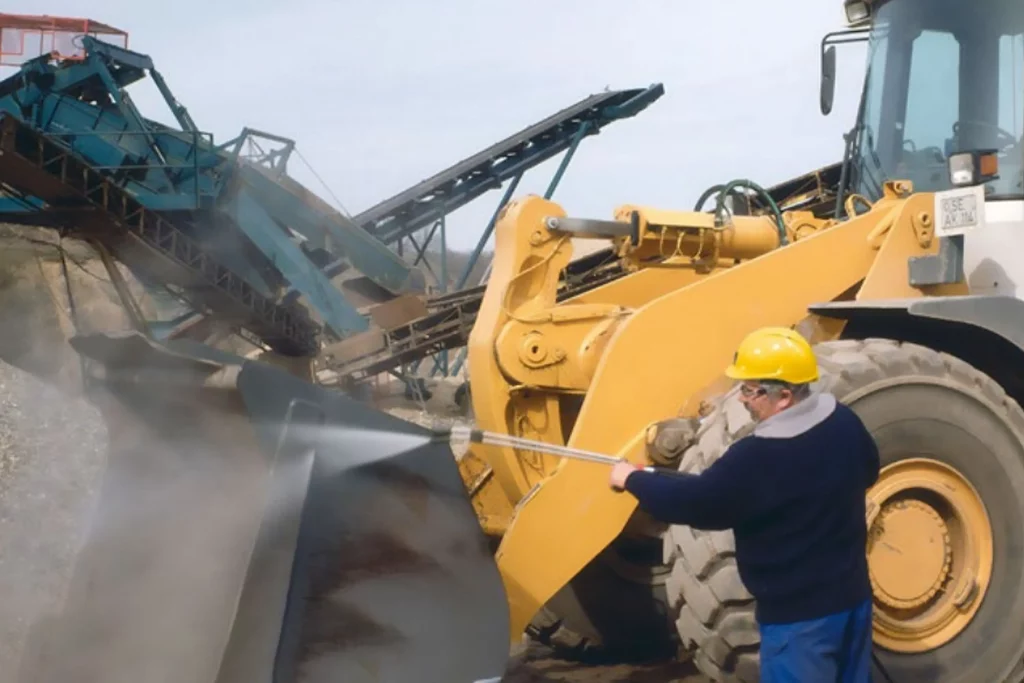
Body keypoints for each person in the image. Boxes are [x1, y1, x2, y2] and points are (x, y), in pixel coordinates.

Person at [610, 326, 880, 683]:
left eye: (750, 390)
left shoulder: (758, 456)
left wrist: (630, 479)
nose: (741, 399)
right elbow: (868, 470)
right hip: (852, 603)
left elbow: (698, 505)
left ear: (783, 396)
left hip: (798, 625)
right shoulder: (843, 422)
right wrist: (655, 477)